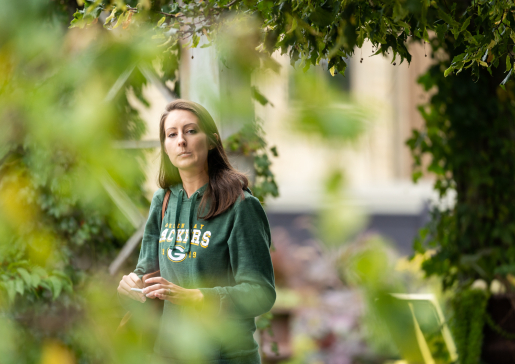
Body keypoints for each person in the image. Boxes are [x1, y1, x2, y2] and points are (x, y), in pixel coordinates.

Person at [117, 99, 276, 363]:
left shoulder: (241, 207)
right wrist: (131, 286)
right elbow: (146, 274)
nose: (181, 140)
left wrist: (200, 297)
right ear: (166, 147)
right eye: (172, 134)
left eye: (191, 131)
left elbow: (261, 293)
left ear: (212, 141)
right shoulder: (163, 201)